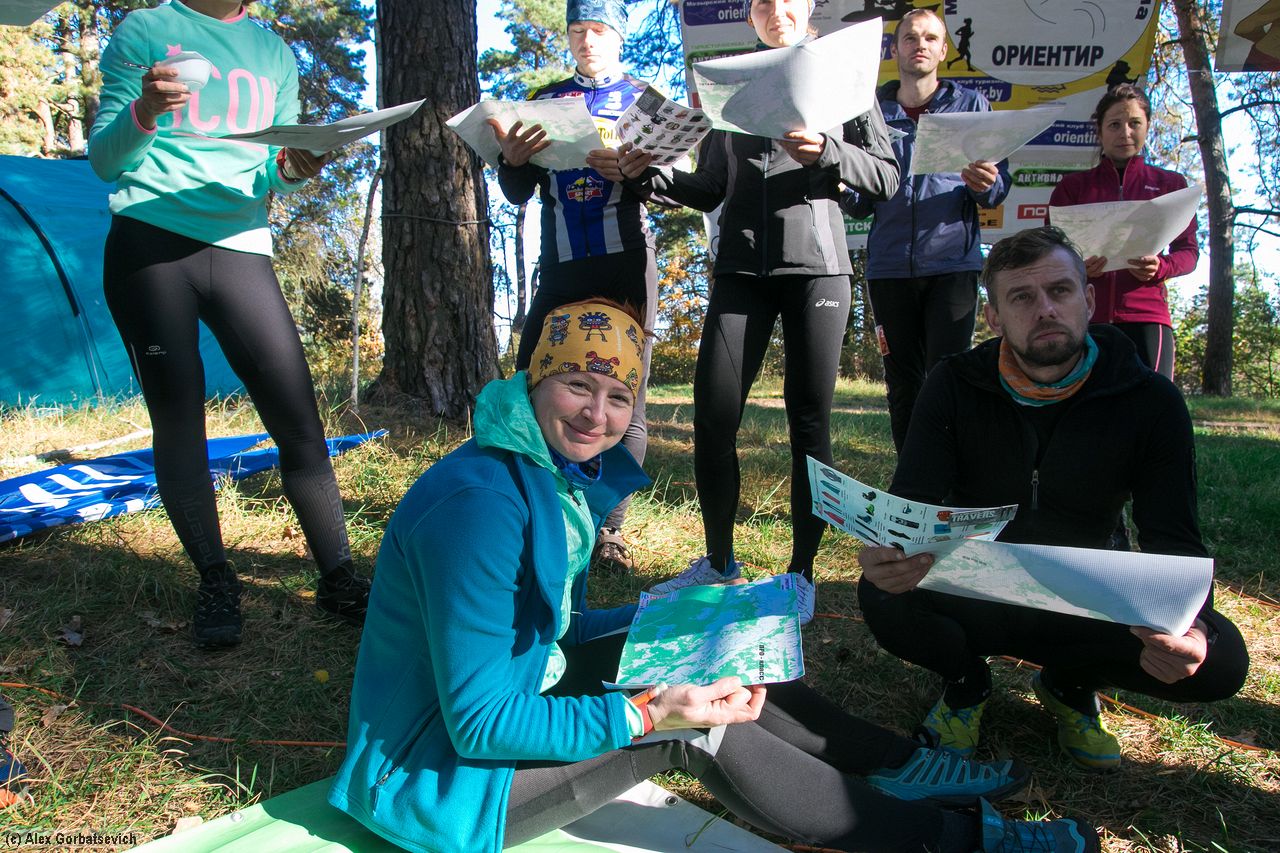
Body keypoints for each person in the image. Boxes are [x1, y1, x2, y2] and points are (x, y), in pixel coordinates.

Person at [328, 298, 1099, 853]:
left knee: (714, 638)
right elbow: (481, 722)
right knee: (695, 728)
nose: (597, 414)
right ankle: (958, 840)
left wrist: (685, 614)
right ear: (535, 381)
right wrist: (647, 714)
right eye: (577, 385)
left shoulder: (541, 471)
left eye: (618, 396)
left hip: (501, 715)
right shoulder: (481, 507)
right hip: (437, 780)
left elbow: (547, 633)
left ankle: (901, 766)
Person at [856, 227, 1249, 770]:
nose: (1045, 309)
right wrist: (888, 554)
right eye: (1021, 297)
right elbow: (911, 502)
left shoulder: (1150, 399)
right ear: (994, 317)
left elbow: (1174, 536)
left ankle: (1070, 683)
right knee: (881, 593)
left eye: (1060, 291)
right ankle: (966, 684)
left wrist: (1193, 626)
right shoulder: (952, 383)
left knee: (1220, 663)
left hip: (1086, 598)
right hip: (977, 589)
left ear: (1088, 299)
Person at [604, 0, 900, 621]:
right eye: (761, 2)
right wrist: (647, 175)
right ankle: (719, 562)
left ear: (808, 5)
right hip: (740, 269)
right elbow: (711, 186)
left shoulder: (841, 69)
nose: (774, 9)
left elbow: (886, 178)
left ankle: (801, 574)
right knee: (714, 418)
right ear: (752, 15)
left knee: (809, 426)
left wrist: (828, 152)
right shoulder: (730, 80)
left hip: (818, 270)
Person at [88, 0, 369, 648]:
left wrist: (298, 166)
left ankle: (339, 577)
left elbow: (276, 171)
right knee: (179, 417)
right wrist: (145, 111)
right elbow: (105, 160)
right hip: (150, 240)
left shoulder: (273, 53)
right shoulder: (146, 31)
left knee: (297, 416)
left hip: (241, 246)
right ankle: (216, 579)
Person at [487, 0, 655, 575]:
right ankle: (537, 509)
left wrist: (637, 174)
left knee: (623, 393)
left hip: (627, 262)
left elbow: (670, 187)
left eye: (600, 30)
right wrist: (512, 162)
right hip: (561, 264)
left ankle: (608, 528)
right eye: (578, 30)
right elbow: (518, 192)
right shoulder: (544, 99)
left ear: (619, 37)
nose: (588, 41)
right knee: (531, 379)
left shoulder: (643, 98)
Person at [842, 7, 1011, 452]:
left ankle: (953, 475)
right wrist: (839, 183)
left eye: (931, 38)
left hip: (952, 265)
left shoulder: (972, 106)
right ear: (894, 49)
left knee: (949, 377)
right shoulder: (869, 112)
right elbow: (860, 202)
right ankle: (912, 478)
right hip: (889, 269)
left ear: (942, 50)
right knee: (902, 385)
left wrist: (987, 184)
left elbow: (998, 190)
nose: (920, 45)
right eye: (911, 37)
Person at [1048, 84, 1197, 380]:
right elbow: (1051, 253)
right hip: (1085, 317)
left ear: (1147, 126)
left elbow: (1189, 252)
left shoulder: (1171, 185)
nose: (1125, 133)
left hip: (1147, 316)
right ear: (1099, 131)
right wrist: (1078, 268)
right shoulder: (1072, 187)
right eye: (1114, 124)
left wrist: (1161, 267)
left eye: (1134, 123)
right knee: (1087, 403)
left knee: (1154, 402)